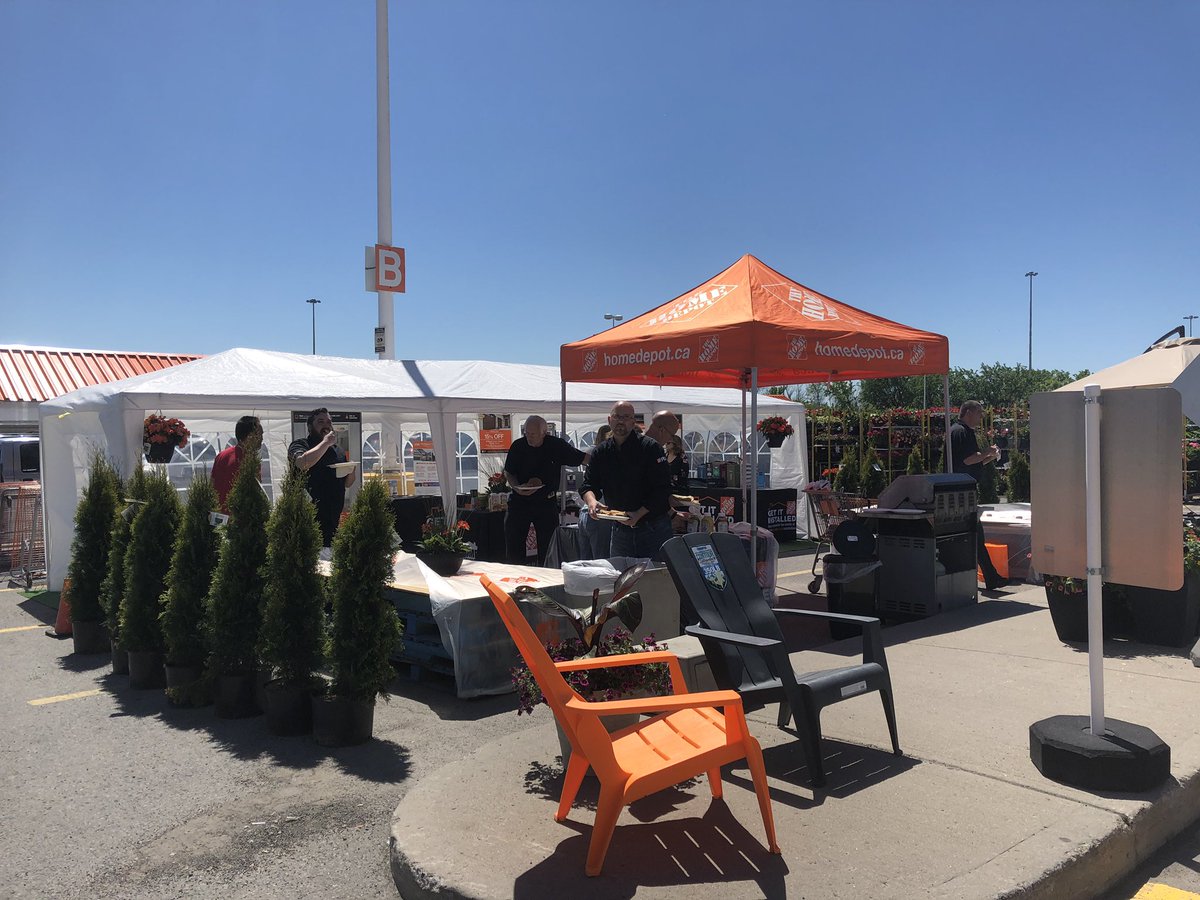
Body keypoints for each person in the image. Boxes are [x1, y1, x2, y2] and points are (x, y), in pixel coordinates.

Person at [580, 401, 673, 559]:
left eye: (626, 417)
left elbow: (663, 489)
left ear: (633, 421)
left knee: (655, 574)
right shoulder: (601, 452)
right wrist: (592, 502)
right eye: (617, 417)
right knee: (620, 573)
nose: (620, 421)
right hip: (620, 530)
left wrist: (638, 514)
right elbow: (588, 485)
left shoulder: (650, 448)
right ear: (609, 420)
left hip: (653, 528)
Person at [502, 415, 589, 566]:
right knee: (514, 547)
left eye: (533, 434)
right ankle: (515, 575)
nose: (529, 437)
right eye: (526, 433)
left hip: (546, 502)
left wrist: (603, 465)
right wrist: (516, 487)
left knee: (548, 547)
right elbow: (509, 472)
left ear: (544, 432)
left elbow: (582, 458)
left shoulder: (556, 446)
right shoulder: (518, 446)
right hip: (519, 501)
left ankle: (546, 575)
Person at [950, 400, 1007, 590]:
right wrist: (987, 451)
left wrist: (989, 457)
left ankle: (991, 577)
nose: (981, 417)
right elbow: (967, 460)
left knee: (974, 534)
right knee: (975, 534)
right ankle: (991, 577)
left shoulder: (960, 431)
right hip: (962, 491)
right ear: (968, 412)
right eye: (979, 413)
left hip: (962, 489)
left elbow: (972, 462)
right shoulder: (962, 432)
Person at [289, 407, 356, 548]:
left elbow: (347, 483)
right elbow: (302, 463)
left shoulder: (338, 450)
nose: (326, 425)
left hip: (333, 516)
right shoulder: (300, 444)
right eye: (320, 422)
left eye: (329, 422)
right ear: (310, 427)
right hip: (307, 517)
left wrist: (351, 470)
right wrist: (325, 443)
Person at [211, 415, 262, 514]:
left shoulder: (222, 455)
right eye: (260, 434)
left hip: (219, 513)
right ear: (250, 436)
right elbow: (254, 492)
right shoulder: (248, 460)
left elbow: (212, 484)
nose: (262, 438)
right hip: (238, 515)